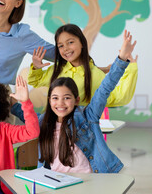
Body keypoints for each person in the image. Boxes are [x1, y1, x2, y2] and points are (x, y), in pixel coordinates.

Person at [38, 31, 137, 173]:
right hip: (56, 182)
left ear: (76, 100)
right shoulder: (44, 121)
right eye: (55, 98)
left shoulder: (87, 116)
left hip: (87, 181)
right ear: (49, 100)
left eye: (67, 98)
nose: (60, 103)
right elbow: (24, 114)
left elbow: (105, 88)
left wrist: (121, 59)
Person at [11, 24, 138, 123]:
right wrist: (37, 68)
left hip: (79, 132)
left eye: (70, 42)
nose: (65, 48)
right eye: (60, 45)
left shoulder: (94, 75)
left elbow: (119, 97)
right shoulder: (57, 70)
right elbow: (35, 81)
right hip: (53, 129)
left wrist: (130, 68)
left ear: (82, 43)